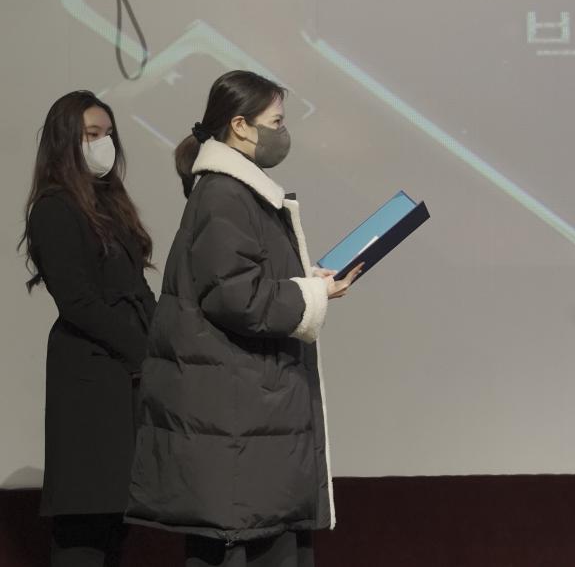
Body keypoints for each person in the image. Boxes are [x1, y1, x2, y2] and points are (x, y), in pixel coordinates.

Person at [125, 70, 361, 567]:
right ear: (239, 125)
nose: (283, 132)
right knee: (245, 548)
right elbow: (235, 297)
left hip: (247, 412)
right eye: (275, 121)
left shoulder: (236, 191)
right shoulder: (224, 193)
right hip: (236, 412)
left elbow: (241, 282)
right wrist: (311, 293)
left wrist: (307, 284)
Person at [21, 91, 156, 566]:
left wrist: (162, 342)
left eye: (108, 134)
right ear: (65, 142)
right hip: (89, 377)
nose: (104, 144)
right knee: (85, 517)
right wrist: (141, 348)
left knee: (115, 517)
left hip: (124, 378)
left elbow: (136, 286)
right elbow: (78, 302)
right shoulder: (54, 208)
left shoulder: (110, 204)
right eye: (91, 135)